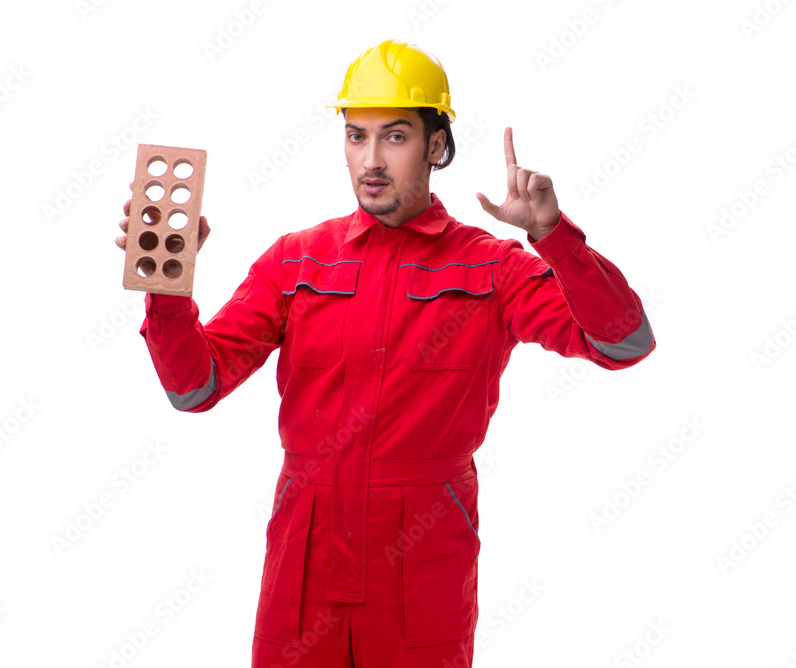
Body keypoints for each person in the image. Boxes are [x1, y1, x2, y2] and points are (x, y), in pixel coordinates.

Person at [115, 39, 655, 668]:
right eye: (355, 136)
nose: (370, 160)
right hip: (305, 553)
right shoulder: (297, 260)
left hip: (422, 559)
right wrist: (165, 284)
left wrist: (552, 239)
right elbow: (194, 388)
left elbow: (623, 344)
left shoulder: (492, 267)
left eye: (394, 137)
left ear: (435, 144)